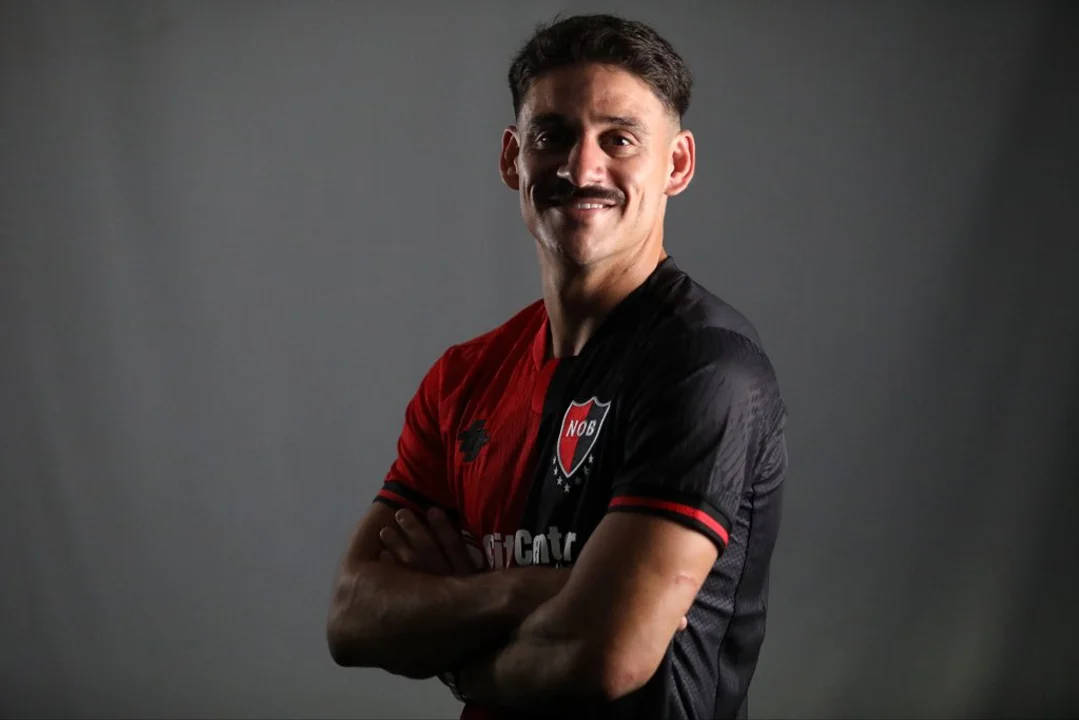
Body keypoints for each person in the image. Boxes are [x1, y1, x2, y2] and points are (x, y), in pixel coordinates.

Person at [326, 13, 788, 720]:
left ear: (676, 165)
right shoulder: (462, 378)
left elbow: (601, 657)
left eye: (619, 139)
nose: (581, 168)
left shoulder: (703, 366)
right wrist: (525, 590)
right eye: (552, 136)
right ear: (513, 158)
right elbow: (353, 618)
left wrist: (456, 651)